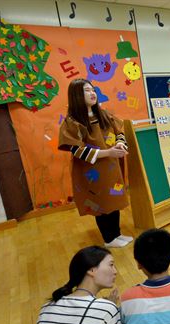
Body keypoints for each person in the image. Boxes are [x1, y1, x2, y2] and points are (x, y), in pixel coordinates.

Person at [58, 78, 132, 248]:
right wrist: (108, 152)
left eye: (93, 90)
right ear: (77, 95)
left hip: (111, 168)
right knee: (101, 203)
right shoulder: (72, 122)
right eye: (87, 90)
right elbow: (76, 150)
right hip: (91, 172)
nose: (93, 93)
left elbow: (119, 131)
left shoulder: (103, 114)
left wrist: (120, 143)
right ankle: (109, 239)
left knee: (113, 200)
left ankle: (117, 234)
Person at [25, 246, 123, 324]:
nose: (115, 271)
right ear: (92, 270)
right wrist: (112, 308)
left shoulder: (47, 307)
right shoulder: (107, 309)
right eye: (111, 265)